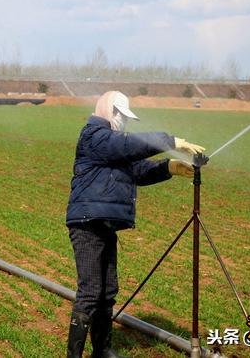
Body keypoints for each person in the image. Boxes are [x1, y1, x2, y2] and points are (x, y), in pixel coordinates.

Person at [65, 91, 205, 358]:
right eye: (121, 116)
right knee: (91, 291)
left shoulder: (114, 145)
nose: (123, 122)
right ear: (110, 111)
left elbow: (138, 170)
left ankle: (102, 350)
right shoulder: (94, 136)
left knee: (108, 291)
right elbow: (127, 146)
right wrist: (169, 141)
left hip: (105, 224)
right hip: (87, 223)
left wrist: (169, 168)